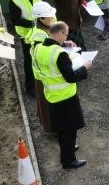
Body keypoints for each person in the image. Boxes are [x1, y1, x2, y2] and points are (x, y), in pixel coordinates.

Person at [33, 21, 91, 169]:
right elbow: (70, 76)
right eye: (65, 34)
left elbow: (50, 59)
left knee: (61, 128)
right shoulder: (59, 54)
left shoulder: (39, 47)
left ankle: (68, 150)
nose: (66, 37)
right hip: (65, 96)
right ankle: (69, 160)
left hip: (51, 94)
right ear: (59, 33)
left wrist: (64, 46)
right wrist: (84, 68)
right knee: (70, 129)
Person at [7, 0, 42, 97]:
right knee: (29, 59)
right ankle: (30, 87)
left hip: (38, 31)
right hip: (26, 35)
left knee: (39, 56)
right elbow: (15, 20)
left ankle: (40, 81)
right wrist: (32, 23)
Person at [27, 1, 56, 132]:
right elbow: (45, 55)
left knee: (45, 103)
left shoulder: (44, 29)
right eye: (49, 16)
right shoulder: (39, 36)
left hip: (43, 73)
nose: (52, 18)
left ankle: (49, 124)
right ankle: (52, 128)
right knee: (48, 104)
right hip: (43, 74)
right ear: (41, 19)